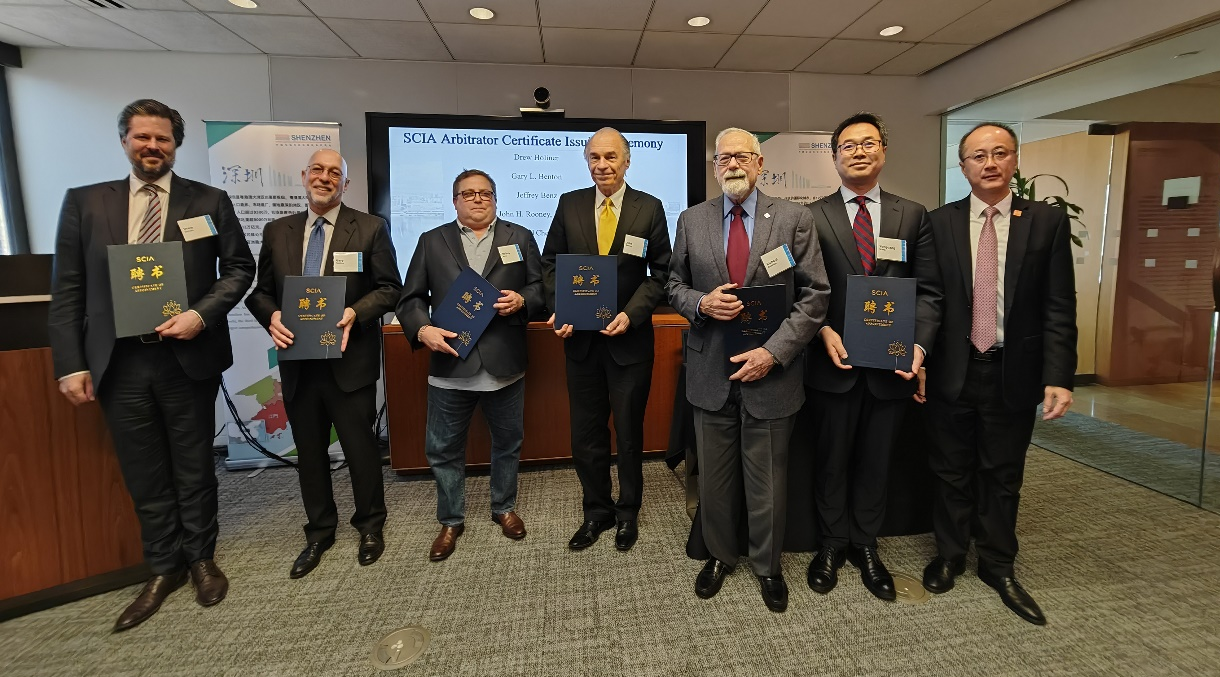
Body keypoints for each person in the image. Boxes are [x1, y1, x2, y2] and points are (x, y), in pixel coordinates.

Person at [48, 99, 255, 631]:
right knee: (143, 470)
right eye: (142, 137)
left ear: (175, 144)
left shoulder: (208, 200)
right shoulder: (85, 203)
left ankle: (201, 558)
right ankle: (163, 567)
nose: (152, 146)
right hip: (119, 360)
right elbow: (67, 288)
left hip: (185, 355)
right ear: (124, 140)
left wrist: (200, 315)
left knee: (193, 464)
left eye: (162, 138)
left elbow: (238, 268)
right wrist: (70, 363)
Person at [667, 127, 829, 612]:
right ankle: (720, 555)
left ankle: (768, 566)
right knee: (714, 480)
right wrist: (700, 302)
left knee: (768, 481)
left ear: (760, 164)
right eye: (724, 158)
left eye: (742, 156)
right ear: (715, 167)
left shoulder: (794, 218)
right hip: (709, 372)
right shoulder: (691, 219)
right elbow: (673, 284)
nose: (733, 164)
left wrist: (773, 353)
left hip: (772, 373)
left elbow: (815, 295)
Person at [920, 122, 1076, 625]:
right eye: (978, 156)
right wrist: (918, 357)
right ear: (963, 166)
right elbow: (929, 300)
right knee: (949, 469)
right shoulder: (938, 223)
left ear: (1014, 160)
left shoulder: (1046, 222)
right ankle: (950, 554)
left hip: (1014, 369)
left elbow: (1059, 304)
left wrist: (1059, 375)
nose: (990, 163)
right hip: (952, 368)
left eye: (1000, 153)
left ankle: (998, 564)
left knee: (1003, 472)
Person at [804, 113, 942, 601]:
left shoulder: (913, 215)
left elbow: (929, 292)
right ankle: (830, 544)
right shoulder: (811, 216)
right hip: (833, 363)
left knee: (876, 462)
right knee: (831, 461)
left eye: (868, 143)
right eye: (848, 145)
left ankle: (866, 545)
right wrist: (821, 330)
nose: (858, 152)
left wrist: (919, 348)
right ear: (834, 157)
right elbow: (801, 288)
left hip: (892, 367)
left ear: (883, 150)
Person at [245, 149, 402, 578]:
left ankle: (370, 526)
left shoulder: (370, 228)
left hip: (349, 361)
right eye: (318, 170)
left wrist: (354, 311)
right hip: (299, 363)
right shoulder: (277, 231)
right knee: (310, 453)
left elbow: (390, 288)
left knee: (361, 450)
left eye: (335, 173)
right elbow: (260, 293)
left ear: (345, 184)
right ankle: (319, 531)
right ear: (304, 176)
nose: (325, 177)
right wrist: (272, 317)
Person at [398, 169, 544, 561]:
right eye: (468, 194)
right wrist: (422, 329)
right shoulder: (432, 241)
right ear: (455, 201)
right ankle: (451, 519)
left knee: (508, 443)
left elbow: (540, 288)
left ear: (495, 199)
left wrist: (523, 300)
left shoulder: (520, 237)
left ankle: (503, 507)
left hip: (504, 364)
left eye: (485, 193)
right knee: (443, 449)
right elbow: (410, 298)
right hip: (450, 364)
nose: (477, 199)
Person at [542, 127, 671, 552]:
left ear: (627, 160)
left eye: (611, 157)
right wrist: (558, 307)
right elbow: (549, 264)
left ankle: (628, 512)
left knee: (629, 433)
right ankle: (596, 511)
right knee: (587, 434)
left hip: (628, 344)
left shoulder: (649, 207)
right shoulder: (569, 203)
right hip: (580, 343)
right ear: (587, 161)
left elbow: (662, 273)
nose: (602, 165)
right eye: (594, 157)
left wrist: (631, 315)